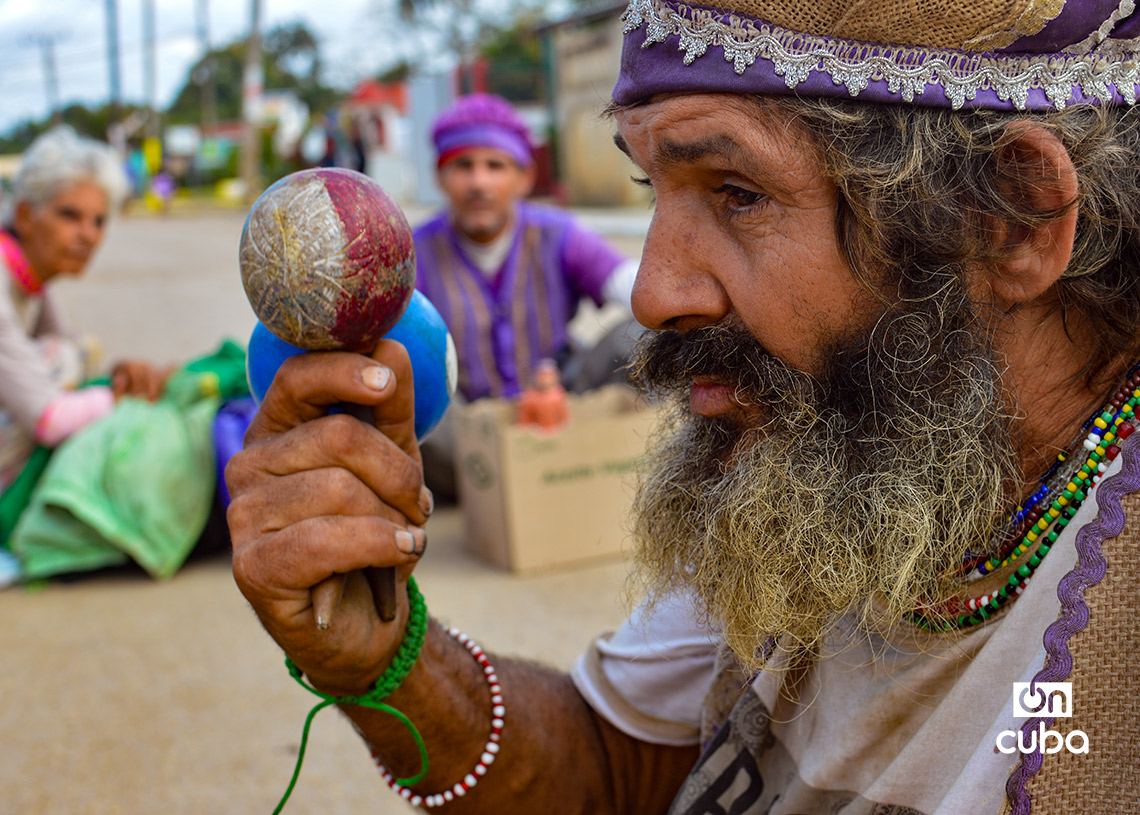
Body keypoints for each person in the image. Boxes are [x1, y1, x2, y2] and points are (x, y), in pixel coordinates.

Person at [227, 1, 1140, 811]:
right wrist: (390, 662)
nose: (652, 294)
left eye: (737, 193)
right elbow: (612, 769)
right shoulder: (835, 462)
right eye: (649, 187)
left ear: (1008, 219)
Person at [0, 126, 167, 490]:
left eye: (99, 221)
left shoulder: (31, 277)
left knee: (74, 352)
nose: (88, 235)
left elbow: (77, 357)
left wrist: (114, 377)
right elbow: (50, 416)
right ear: (26, 216)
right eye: (70, 215)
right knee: (61, 358)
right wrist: (124, 395)